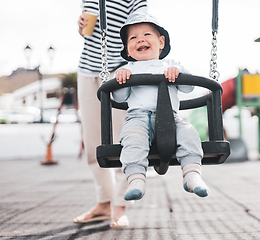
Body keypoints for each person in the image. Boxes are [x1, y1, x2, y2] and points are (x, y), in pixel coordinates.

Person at [112, 12, 210, 201]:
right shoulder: (129, 69)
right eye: (133, 38)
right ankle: (136, 179)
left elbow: (188, 88)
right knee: (132, 140)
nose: (140, 39)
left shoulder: (171, 64)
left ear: (161, 42)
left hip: (171, 118)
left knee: (189, 133)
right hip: (138, 118)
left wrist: (178, 73)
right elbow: (119, 97)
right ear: (128, 49)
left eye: (147, 35)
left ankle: (192, 175)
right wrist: (121, 79)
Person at [75, 0, 147, 228]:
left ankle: (120, 205)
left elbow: (141, 27)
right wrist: (81, 26)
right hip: (87, 69)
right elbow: (88, 31)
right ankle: (104, 202)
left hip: (119, 70)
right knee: (93, 140)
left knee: (123, 140)